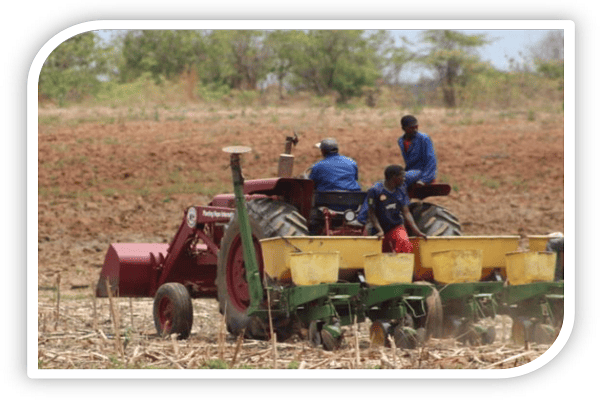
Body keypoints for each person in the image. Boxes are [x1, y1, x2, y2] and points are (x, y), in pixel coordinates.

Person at [357, 165, 426, 253]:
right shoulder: (375, 190)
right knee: (374, 253)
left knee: (404, 243)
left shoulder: (401, 189)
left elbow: (406, 212)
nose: (404, 179)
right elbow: (371, 213)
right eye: (402, 176)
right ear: (394, 177)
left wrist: (417, 231)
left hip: (395, 226)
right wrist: (380, 230)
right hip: (377, 228)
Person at [397, 115, 437, 186]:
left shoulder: (424, 138)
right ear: (403, 128)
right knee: (391, 174)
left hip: (422, 171)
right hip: (410, 171)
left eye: (416, 127)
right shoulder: (401, 141)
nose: (415, 129)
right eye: (412, 128)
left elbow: (431, 159)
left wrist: (424, 179)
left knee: (401, 178)